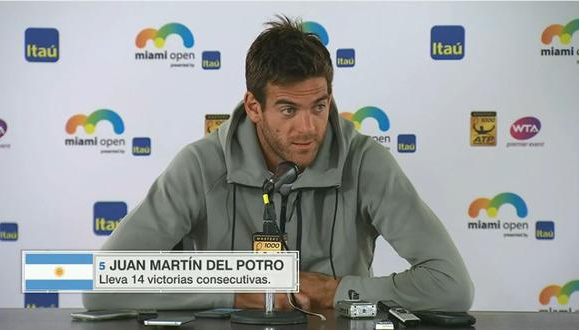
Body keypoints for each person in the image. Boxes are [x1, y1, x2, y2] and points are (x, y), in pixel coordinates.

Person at [83, 16, 474, 312]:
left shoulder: (366, 162)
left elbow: (452, 286)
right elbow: (101, 284)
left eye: (319, 106)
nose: (309, 128)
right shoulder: (200, 165)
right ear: (254, 106)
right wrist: (234, 292)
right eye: (288, 109)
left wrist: (335, 291)